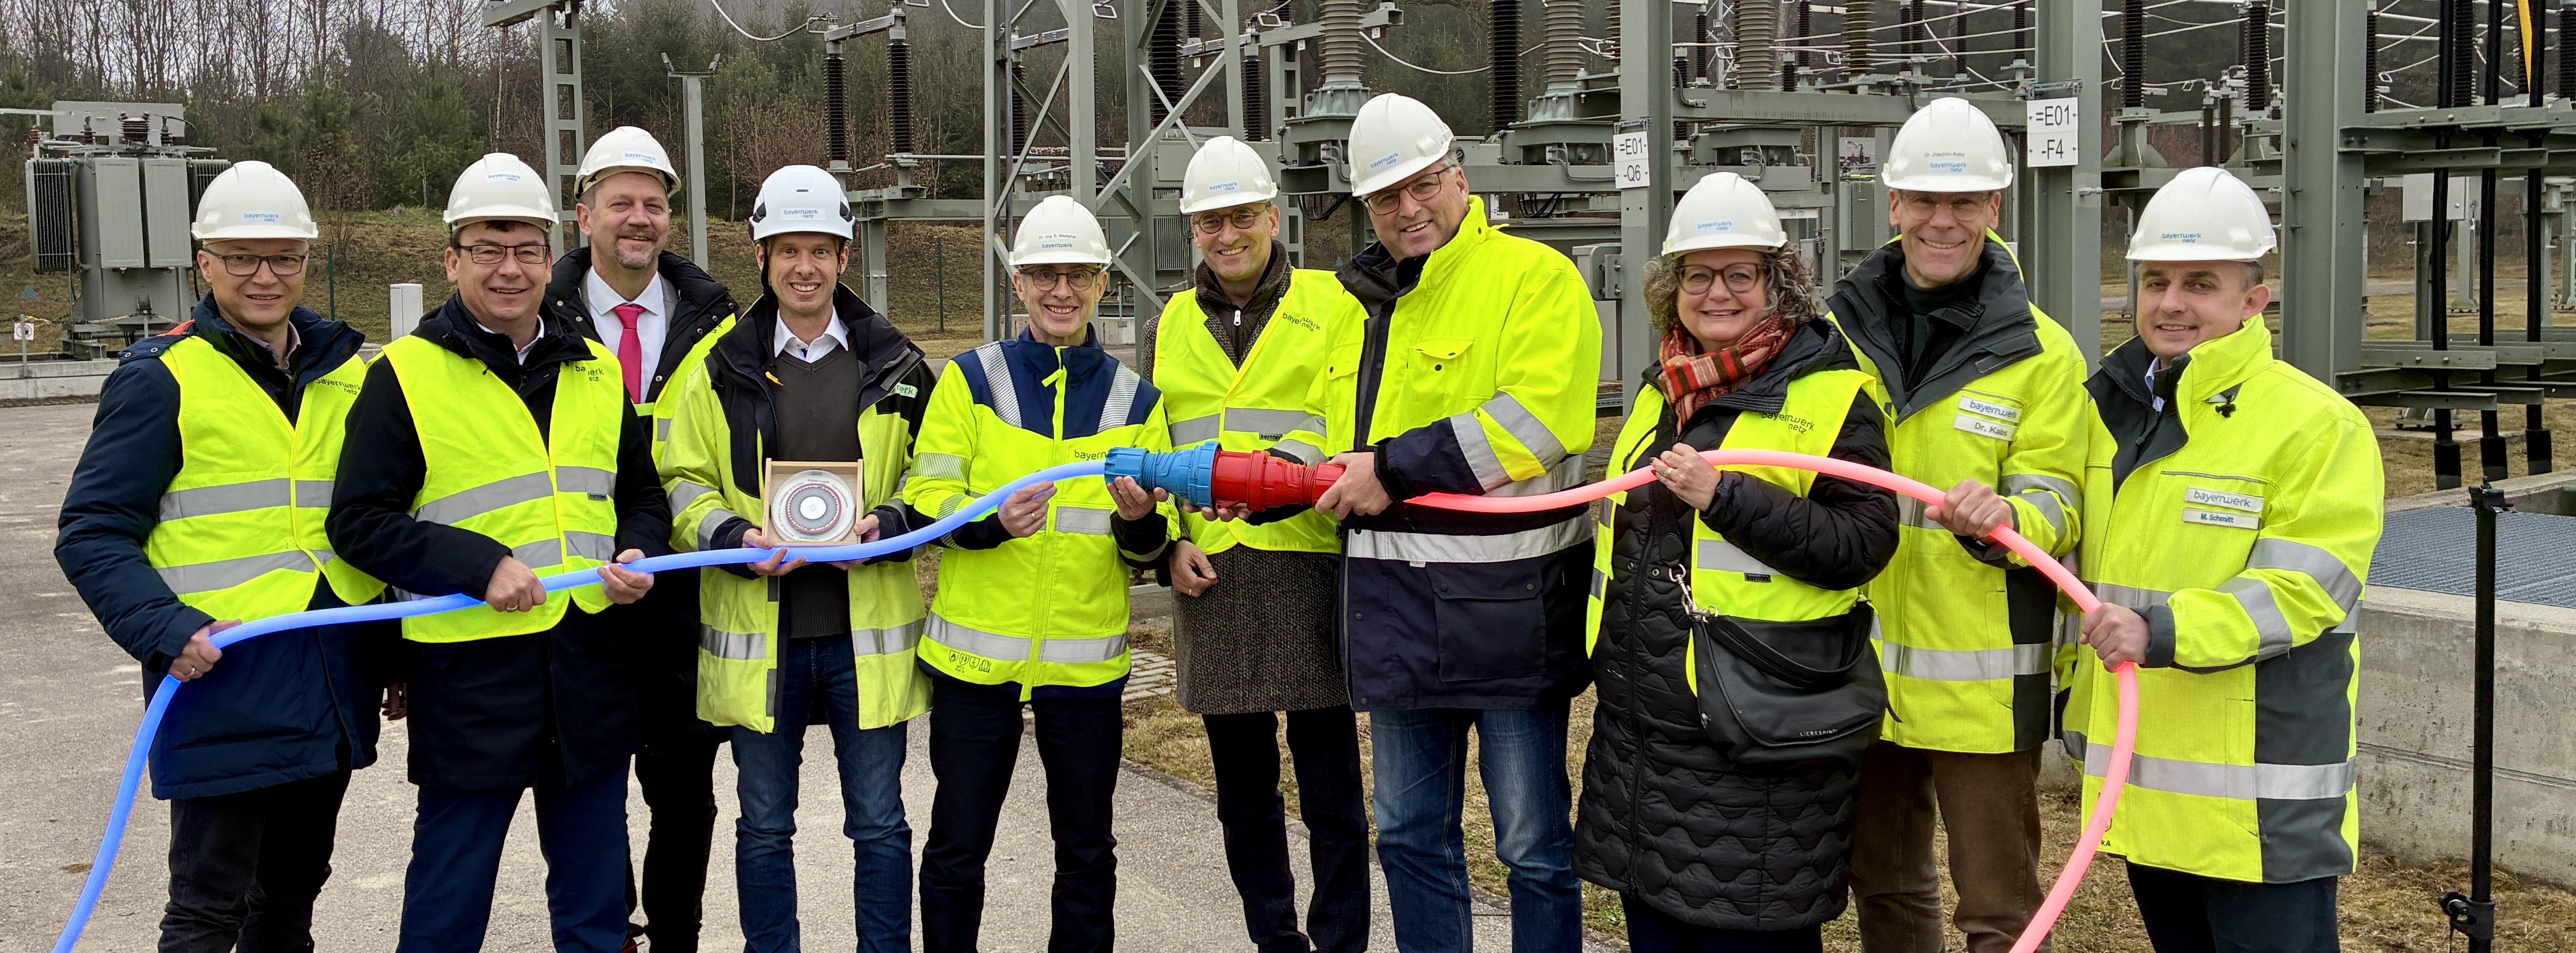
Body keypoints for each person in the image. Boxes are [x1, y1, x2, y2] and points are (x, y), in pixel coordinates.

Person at [328, 153, 671, 953]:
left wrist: (639, 551)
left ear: (551, 260)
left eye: (525, 250)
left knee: (594, 908)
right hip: (471, 685)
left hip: (587, 670)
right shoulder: (404, 375)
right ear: (453, 260)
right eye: (488, 248)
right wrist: (476, 566)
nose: (509, 269)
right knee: (449, 905)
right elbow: (360, 522)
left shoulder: (591, 369)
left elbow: (641, 496)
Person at [55, 160, 397, 953]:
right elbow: (91, 530)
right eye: (241, 257)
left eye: (283, 258)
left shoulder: (351, 373)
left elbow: (373, 522)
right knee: (210, 906)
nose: (264, 276)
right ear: (203, 262)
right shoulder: (161, 378)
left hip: (328, 677)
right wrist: (165, 628)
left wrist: (391, 649)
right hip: (223, 680)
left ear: (309, 262)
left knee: (293, 896)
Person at [1309, 92, 1603, 953]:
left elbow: (1543, 421)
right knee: (1407, 838)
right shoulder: (1356, 306)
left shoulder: (1532, 278)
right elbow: (1332, 440)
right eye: (1384, 198)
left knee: (1533, 849)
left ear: (1458, 177)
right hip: (1396, 613)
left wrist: (1391, 468)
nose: (1408, 210)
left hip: (1507, 613)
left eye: (1422, 185)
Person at [1577, 172, 1899, 953]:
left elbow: (1862, 543)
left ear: (1776, 285)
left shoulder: (1830, 395)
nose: (1716, 293)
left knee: (1752, 934)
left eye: (1739, 275)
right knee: (1655, 932)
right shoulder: (1663, 393)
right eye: (1697, 275)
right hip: (1646, 738)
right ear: (1671, 288)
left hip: (1761, 735)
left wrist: (1725, 498)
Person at [2063, 166, 2382, 953]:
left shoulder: (2315, 426)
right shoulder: (2111, 414)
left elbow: (2304, 590)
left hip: (2257, 793)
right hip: (2151, 779)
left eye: (2200, 283)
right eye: (2155, 281)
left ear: (2252, 301)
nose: (2170, 303)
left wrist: (2159, 630)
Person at [1827, 96, 2089, 953]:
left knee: (1999, 913)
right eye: (1924, 203)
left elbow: (2062, 496)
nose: (1943, 222)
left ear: (1994, 210)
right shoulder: (1832, 334)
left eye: (1964, 203)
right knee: (1886, 890)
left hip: (1980, 686)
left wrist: (2011, 514)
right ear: (1892, 205)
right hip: (1856, 665)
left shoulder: (2042, 354)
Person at [659, 164, 935, 953]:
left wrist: (886, 523)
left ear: (846, 257)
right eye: (789, 250)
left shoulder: (901, 366)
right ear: (760, 254)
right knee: (763, 826)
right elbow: (683, 478)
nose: (805, 267)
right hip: (761, 633)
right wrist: (728, 539)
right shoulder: (716, 367)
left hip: (863, 635)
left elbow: (940, 473)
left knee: (880, 825)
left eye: (821, 250)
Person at [906, 194, 1175, 953]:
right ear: (1018, 284)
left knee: (1087, 851)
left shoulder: (1136, 401)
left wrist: (1140, 525)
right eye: (1044, 276)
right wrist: (987, 524)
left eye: (1078, 277)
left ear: (1101, 283)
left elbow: (1153, 551)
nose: (1062, 291)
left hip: (1085, 670)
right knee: (958, 847)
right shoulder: (968, 381)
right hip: (973, 665)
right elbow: (927, 497)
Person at [1140, 135, 1370, 953]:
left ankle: (1340, 940)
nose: (1228, 235)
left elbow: (1343, 418)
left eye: (1241, 217)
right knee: (1243, 792)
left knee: (1331, 790)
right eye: (1210, 223)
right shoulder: (1171, 320)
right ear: (1192, 231)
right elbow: (1156, 441)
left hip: (1308, 558)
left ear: (1274, 216)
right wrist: (1167, 542)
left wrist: (1280, 480)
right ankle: (1274, 940)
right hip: (1212, 575)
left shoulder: (1333, 300)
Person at [540, 125, 740, 953]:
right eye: (619, 202)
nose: (638, 219)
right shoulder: (539, 318)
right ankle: (609, 930)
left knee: (685, 789)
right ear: (583, 215)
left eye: (653, 204)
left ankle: (676, 936)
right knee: (586, 786)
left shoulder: (719, 321)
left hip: (681, 589)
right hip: (578, 589)